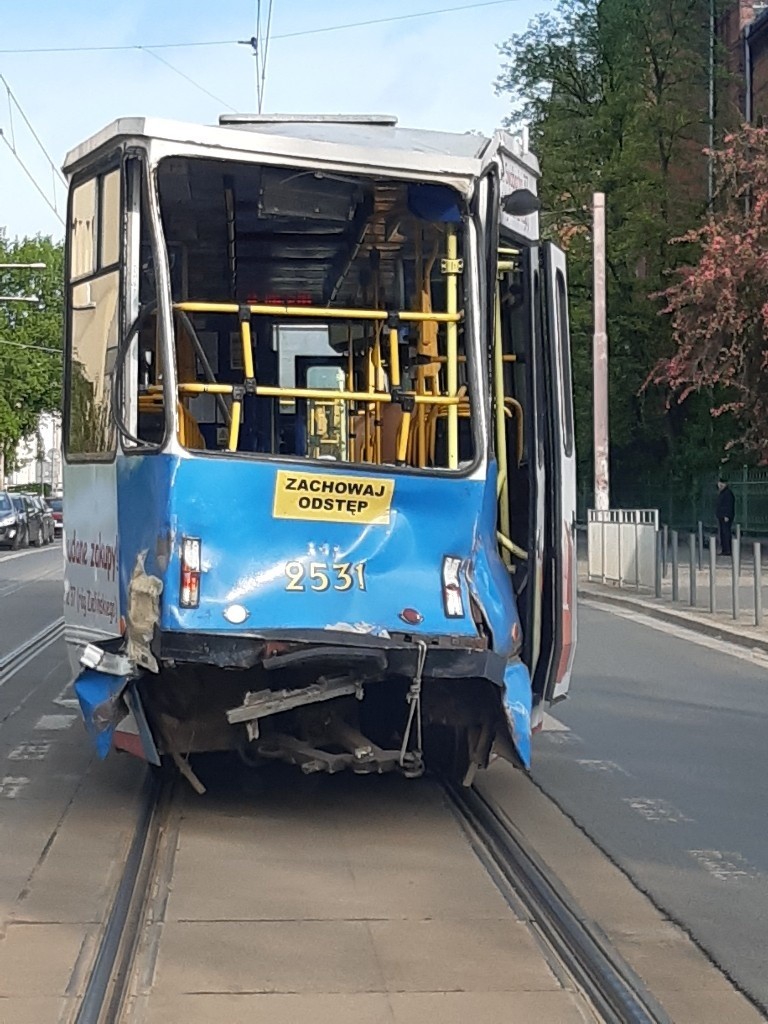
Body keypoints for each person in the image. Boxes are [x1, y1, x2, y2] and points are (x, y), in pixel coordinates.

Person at [716, 480, 735, 557]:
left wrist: (726, 515)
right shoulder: (723, 492)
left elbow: (728, 505)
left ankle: (727, 549)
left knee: (725, 532)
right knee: (723, 533)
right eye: (719, 484)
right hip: (721, 515)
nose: (720, 485)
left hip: (725, 516)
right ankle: (725, 549)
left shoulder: (727, 493)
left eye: (721, 484)